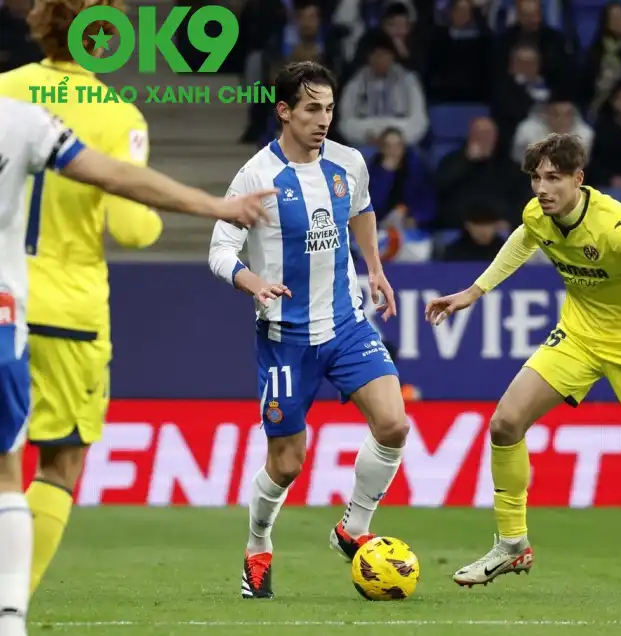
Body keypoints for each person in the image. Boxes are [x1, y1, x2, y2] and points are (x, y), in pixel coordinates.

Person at [425, 133, 621, 597]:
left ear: (579, 179)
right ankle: (512, 543)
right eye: (536, 178)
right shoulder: (538, 213)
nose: (542, 189)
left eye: (553, 178)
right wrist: (474, 292)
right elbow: (525, 238)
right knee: (505, 424)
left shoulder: (618, 226)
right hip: (578, 336)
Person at [0, 96, 272, 636]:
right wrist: (215, 206)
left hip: (29, 310)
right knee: (13, 476)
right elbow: (119, 181)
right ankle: (9, 620)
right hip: (27, 311)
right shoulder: (19, 116)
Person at [207, 61, 409, 601]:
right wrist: (253, 282)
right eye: (312, 109)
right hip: (285, 340)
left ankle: (353, 527)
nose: (323, 120)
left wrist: (375, 269)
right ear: (284, 111)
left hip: (346, 325)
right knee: (287, 463)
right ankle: (257, 546)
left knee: (393, 424)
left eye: (329, 109)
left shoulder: (348, 163)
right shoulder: (257, 176)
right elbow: (220, 250)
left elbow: (361, 210)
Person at [0, 0, 172, 597]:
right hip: (69, 312)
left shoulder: (4, 91)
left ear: (39, 22)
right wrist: (157, 213)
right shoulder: (118, 116)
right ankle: (10, 603)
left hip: (4, 300)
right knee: (60, 463)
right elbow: (131, 228)